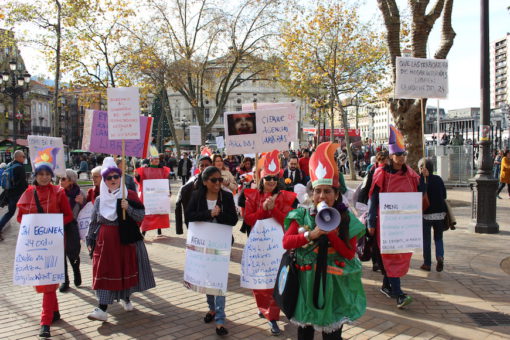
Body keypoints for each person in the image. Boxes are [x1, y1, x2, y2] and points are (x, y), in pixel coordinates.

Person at [283, 142, 366, 340]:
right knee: (305, 332)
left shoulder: (346, 219)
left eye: (327, 191)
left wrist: (331, 234)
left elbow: (348, 253)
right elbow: (286, 243)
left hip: (334, 283)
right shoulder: (301, 215)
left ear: (336, 195)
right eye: (318, 191)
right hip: (306, 282)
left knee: (332, 335)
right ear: (311, 194)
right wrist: (310, 235)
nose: (322, 196)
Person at [86, 157, 156, 322]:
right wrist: (90, 240)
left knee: (123, 270)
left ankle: (126, 297)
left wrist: (128, 208)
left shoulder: (129, 195)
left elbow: (141, 215)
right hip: (105, 242)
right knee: (104, 272)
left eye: (115, 177)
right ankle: (102, 308)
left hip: (124, 241)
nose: (112, 180)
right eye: (108, 177)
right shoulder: (99, 200)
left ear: (120, 178)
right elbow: (94, 221)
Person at [16, 149, 74, 338]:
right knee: (45, 280)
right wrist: (34, 225)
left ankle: (45, 322)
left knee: (49, 281)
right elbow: (20, 218)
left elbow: (69, 215)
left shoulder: (58, 192)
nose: (44, 177)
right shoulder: (28, 193)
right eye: (40, 174)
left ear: (51, 175)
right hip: (35, 245)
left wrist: (54, 224)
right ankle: (54, 311)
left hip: (54, 243)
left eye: (47, 174)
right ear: (35, 175)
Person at [243, 150, 298, 336]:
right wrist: (263, 210)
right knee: (261, 278)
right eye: (268, 179)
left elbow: (288, 221)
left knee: (277, 277)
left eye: (275, 178)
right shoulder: (251, 196)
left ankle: (272, 314)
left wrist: (273, 210)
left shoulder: (286, 197)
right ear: (261, 179)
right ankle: (263, 306)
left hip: (279, 245)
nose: (272, 182)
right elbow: (249, 220)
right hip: (259, 245)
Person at [368, 126, 420, 308]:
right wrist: (371, 221)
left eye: (403, 154)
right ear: (391, 156)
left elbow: (420, 193)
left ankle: (387, 286)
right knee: (391, 255)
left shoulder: (411, 174)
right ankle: (399, 294)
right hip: (386, 223)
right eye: (398, 154)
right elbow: (373, 198)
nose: (401, 157)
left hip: (405, 223)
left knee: (401, 254)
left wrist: (426, 179)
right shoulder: (381, 173)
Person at [185, 166, 238, 336]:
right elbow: (189, 216)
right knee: (206, 277)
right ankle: (212, 308)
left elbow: (233, 220)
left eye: (220, 180)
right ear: (205, 181)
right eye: (214, 180)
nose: (217, 183)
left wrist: (219, 214)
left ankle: (220, 321)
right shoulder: (197, 195)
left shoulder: (227, 196)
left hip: (221, 244)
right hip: (202, 244)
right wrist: (209, 213)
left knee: (219, 279)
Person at [58, 169, 86, 292]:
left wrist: (82, 203)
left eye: (63, 179)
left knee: (73, 252)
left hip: (72, 226)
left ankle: (76, 272)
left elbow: (87, 213)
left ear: (71, 180)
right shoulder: (58, 192)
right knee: (60, 254)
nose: (60, 181)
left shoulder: (80, 193)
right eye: (60, 179)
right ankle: (65, 280)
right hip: (59, 226)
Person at [135, 146, 172, 237]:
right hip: (148, 196)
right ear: (151, 160)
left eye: (158, 159)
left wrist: (169, 190)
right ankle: (144, 232)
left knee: (159, 213)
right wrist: (136, 176)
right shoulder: (144, 169)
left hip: (159, 195)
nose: (157, 160)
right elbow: (140, 180)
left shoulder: (163, 170)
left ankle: (159, 231)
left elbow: (166, 181)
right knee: (148, 214)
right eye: (155, 159)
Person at [418, 158, 447, 272]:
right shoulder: (438, 179)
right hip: (440, 213)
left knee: (426, 240)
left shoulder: (421, 180)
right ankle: (440, 256)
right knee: (439, 237)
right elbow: (444, 195)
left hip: (426, 214)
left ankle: (427, 263)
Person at [175, 155, 213, 235]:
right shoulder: (191, 183)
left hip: (215, 224)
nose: (204, 167)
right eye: (202, 165)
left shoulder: (219, 182)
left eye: (207, 165)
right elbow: (180, 204)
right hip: (197, 224)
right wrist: (180, 228)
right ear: (198, 167)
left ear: (211, 165)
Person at [0, 150, 28, 241]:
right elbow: (23, 183)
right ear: (18, 157)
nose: (24, 158)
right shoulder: (20, 167)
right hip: (19, 194)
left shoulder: (9, 165)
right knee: (27, 212)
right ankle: (28, 232)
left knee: (10, 212)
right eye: (23, 157)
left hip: (9, 194)